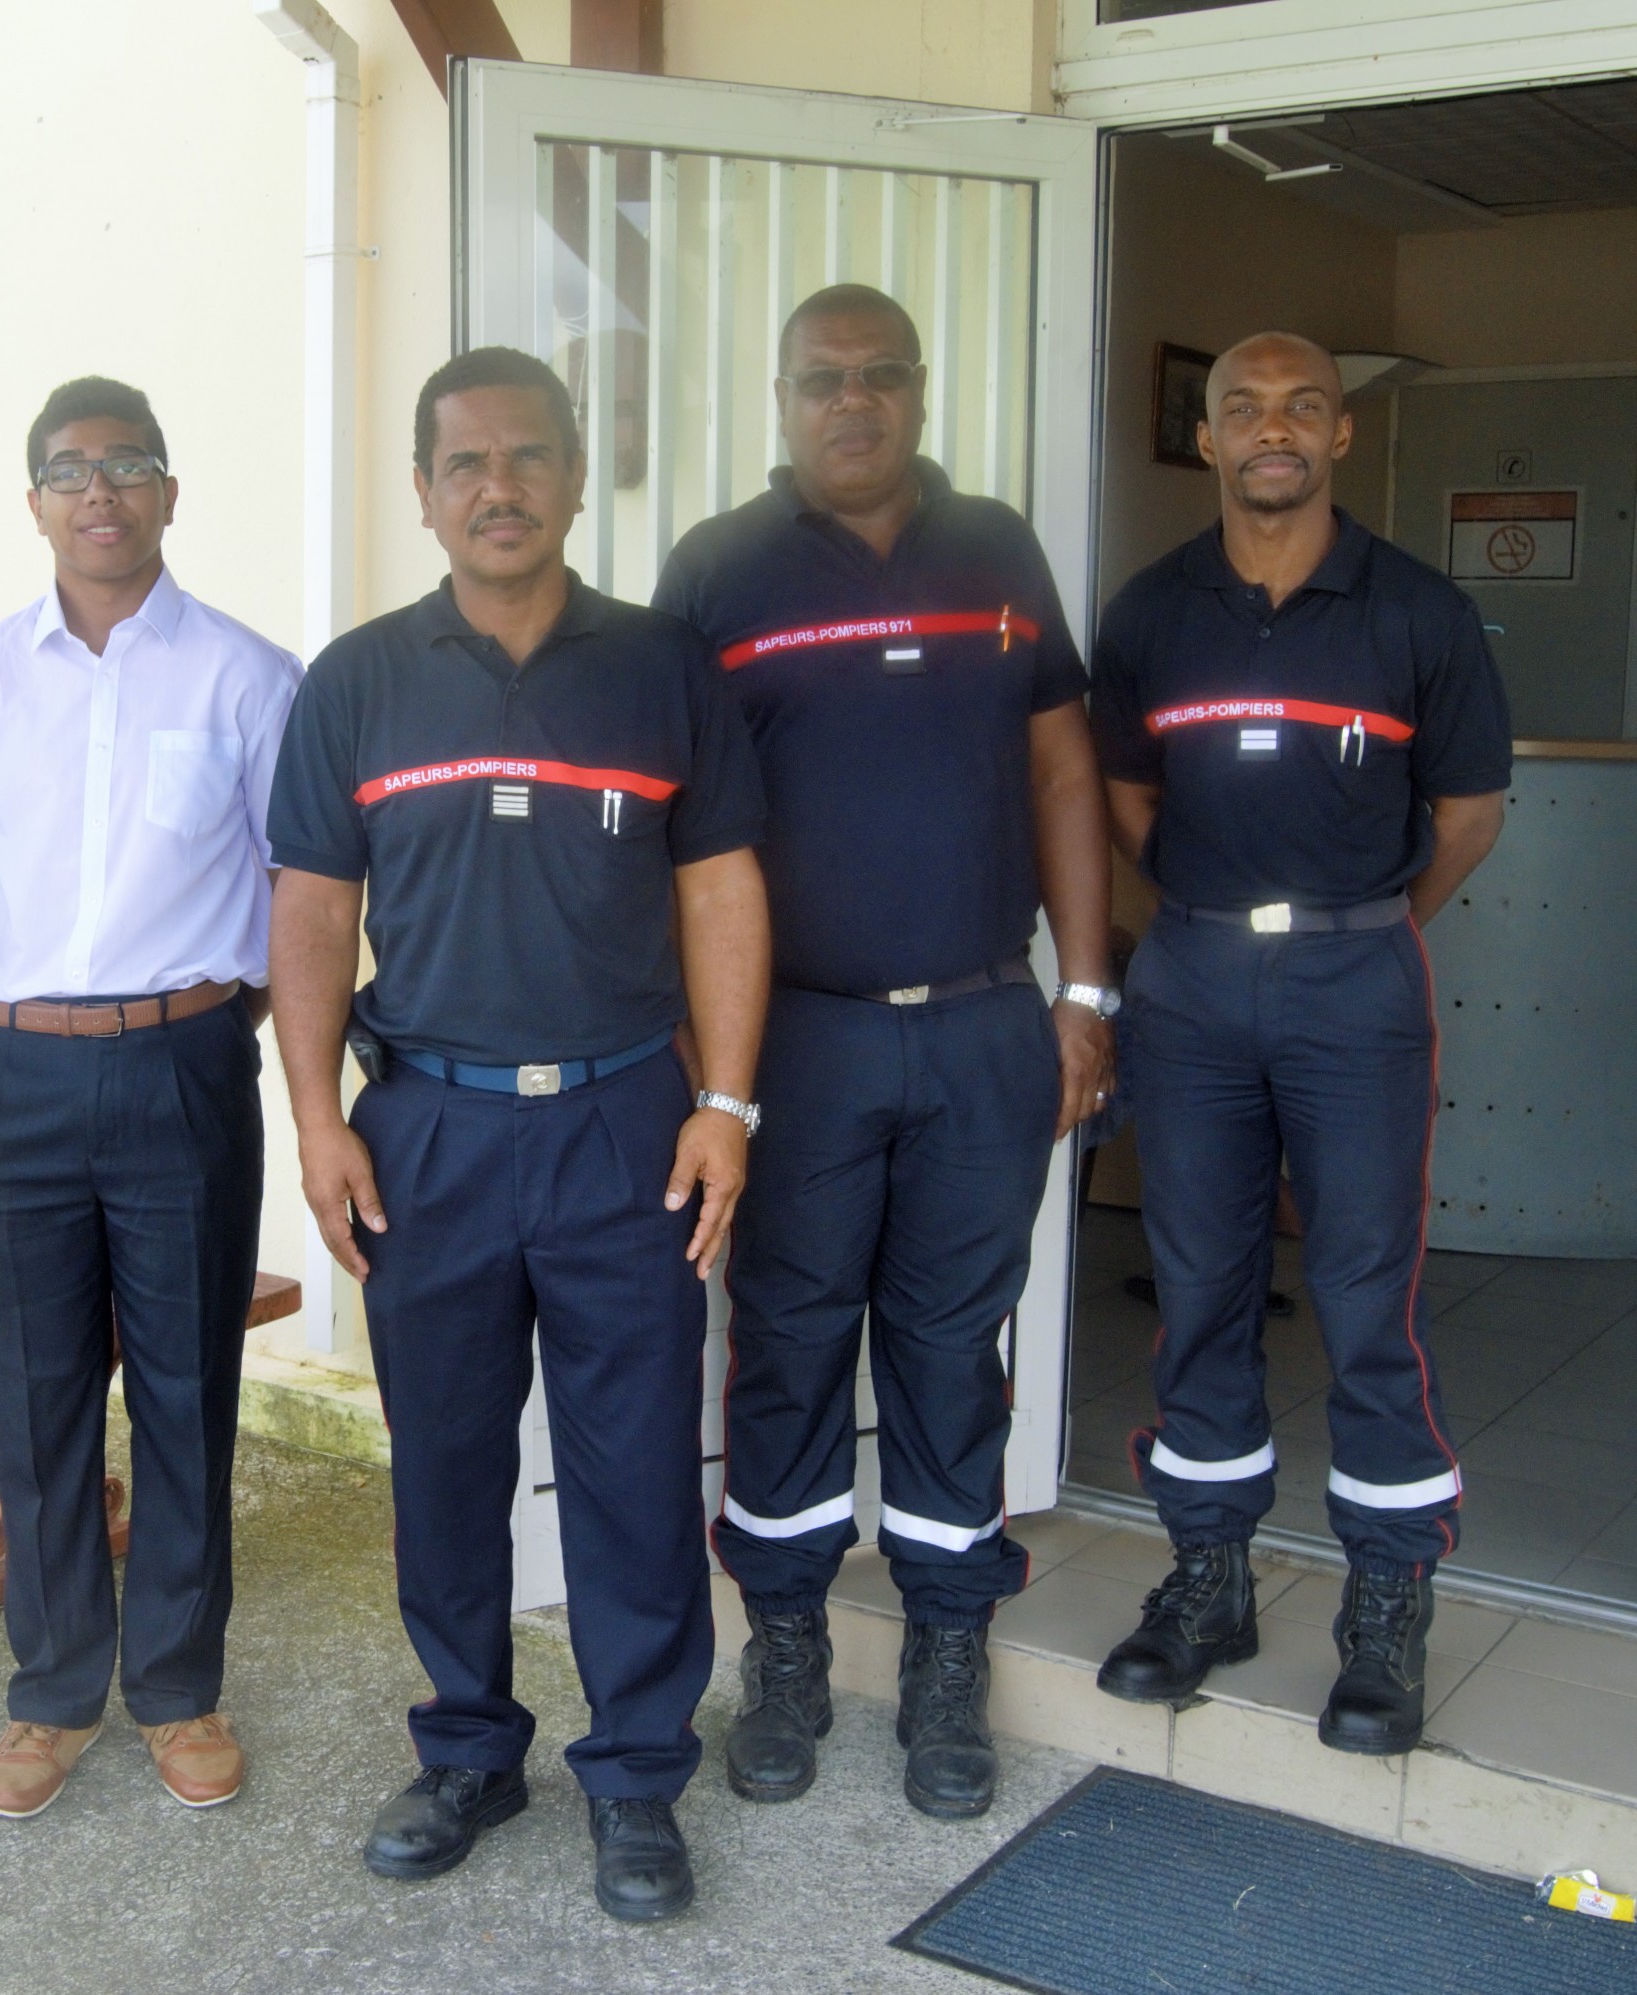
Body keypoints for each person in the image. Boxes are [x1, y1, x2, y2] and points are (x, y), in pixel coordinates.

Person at [268, 346, 771, 1925]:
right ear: (424, 494)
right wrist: (314, 1124)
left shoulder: (663, 665)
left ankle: (635, 1775)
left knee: (631, 1471)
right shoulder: (354, 680)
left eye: (529, 457)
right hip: (424, 1135)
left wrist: (727, 1104)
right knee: (448, 1468)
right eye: (466, 463)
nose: (500, 487)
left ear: (573, 476)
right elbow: (309, 908)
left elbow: (721, 890)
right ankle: (471, 1750)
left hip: (627, 1125)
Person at [651, 282, 1114, 1820]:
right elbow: (675, 833)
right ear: (781, 401)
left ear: (922, 392)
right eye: (822, 379)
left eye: (884, 375)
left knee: (947, 1348)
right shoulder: (714, 572)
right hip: (799, 1044)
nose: (855, 401)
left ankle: (942, 1656)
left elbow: (1064, 772)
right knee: (784, 1342)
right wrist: (698, 1052)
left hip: (985, 1025)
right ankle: (782, 1648)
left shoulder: (999, 551)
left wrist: (1087, 990)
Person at [1087, 330, 1510, 1754]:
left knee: (1363, 1290)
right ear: (1206, 441)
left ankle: (1387, 1607)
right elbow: (1123, 804)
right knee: (1201, 1279)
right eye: (1244, 409)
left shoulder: (1419, 614)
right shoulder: (1149, 613)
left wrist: (1362, 922)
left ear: (1341, 437)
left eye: (1304, 407)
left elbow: (1466, 816)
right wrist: (1205, 925)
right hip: (1194, 983)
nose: (1275, 429)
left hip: (1354, 983)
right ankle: (1210, 1579)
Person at [0, 377, 300, 1820]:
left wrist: (183, 1018)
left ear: (169, 493)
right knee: (37, 1393)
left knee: (190, 1391)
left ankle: (181, 1687)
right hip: (13, 1070)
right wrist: (53, 1003)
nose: (101, 492)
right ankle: (55, 1688)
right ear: (33, 506)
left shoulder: (253, 678)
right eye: (71, 472)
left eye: (129, 465)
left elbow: (287, 892)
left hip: (183, 1068)